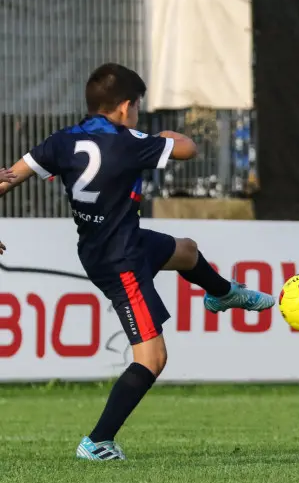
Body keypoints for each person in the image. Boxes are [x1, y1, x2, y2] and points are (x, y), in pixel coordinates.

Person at [0, 63, 275, 460]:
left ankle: (222, 295)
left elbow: (8, 177)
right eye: (138, 107)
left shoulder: (62, 141)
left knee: (187, 251)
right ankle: (97, 442)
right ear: (127, 106)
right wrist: (160, 134)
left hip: (108, 245)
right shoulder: (131, 142)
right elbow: (188, 148)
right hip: (120, 260)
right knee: (153, 358)